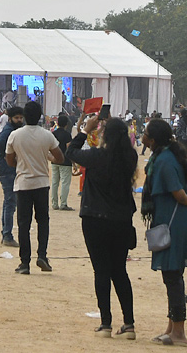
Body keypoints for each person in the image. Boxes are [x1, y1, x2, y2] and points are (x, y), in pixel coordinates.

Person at [66, 114, 137, 339]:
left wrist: (85, 130)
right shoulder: (130, 157)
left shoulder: (96, 156)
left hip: (95, 218)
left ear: (104, 135)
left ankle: (105, 323)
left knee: (101, 271)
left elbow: (70, 153)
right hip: (121, 219)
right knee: (119, 271)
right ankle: (129, 323)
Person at [141, 118, 187, 348]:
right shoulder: (163, 156)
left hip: (176, 222)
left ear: (153, 139)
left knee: (173, 277)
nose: (142, 135)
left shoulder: (165, 161)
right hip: (170, 220)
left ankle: (179, 332)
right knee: (170, 276)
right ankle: (171, 327)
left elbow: (178, 193)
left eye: (146, 132)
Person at [4, 100, 64, 275]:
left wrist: (22, 162)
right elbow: (60, 158)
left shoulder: (15, 135)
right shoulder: (47, 135)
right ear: (39, 117)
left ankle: (24, 262)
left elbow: (9, 160)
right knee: (43, 221)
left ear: (23, 116)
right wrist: (45, 157)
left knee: (24, 223)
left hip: (23, 183)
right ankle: (43, 256)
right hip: (42, 183)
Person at [0, 106, 25, 246]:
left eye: (21, 117)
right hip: (7, 171)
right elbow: (0, 143)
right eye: (16, 118)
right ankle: (7, 235)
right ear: (10, 118)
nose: (19, 120)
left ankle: (5, 234)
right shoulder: (9, 130)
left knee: (8, 203)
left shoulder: (14, 129)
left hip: (9, 170)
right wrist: (11, 156)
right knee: (10, 203)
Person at [50, 113, 74, 211]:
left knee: (55, 182)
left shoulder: (53, 134)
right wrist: (74, 163)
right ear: (66, 125)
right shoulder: (67, 135)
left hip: (54, 160)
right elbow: (69, 149)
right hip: (65, 161)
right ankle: (63, 203)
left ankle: (54, 203)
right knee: (65, 183)